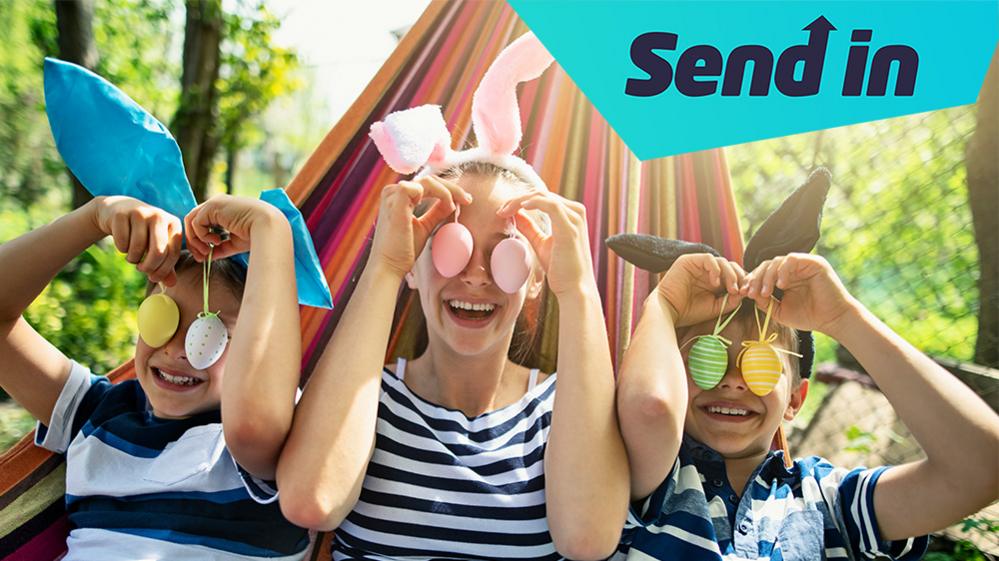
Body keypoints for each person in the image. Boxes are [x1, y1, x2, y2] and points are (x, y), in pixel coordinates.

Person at [227, 32, 630, 561]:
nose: (477, 275)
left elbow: (588, 539)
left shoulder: (563, 409)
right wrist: (387, 264)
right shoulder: (365, 399)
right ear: (417, 265)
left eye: (505, 253)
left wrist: (578, 289)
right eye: (451, 246)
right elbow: (312, 499)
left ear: (537, 277)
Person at [615, 248, 999, 560]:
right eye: (707, 359)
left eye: (760, 365)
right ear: (674, 381)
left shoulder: (830, 502)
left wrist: (844, 317)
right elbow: (651, 407)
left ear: (795, 400)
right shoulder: (644, 479)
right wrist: (663, 304)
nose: (733, 380)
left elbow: (982, 467)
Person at [0, 194, 310, 560]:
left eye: (209, 333)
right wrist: (94, 216)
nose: (177, 350)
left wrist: (269, 230)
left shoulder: (277, 440)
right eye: (162, 317)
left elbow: (258, 420)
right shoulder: (98, 414)